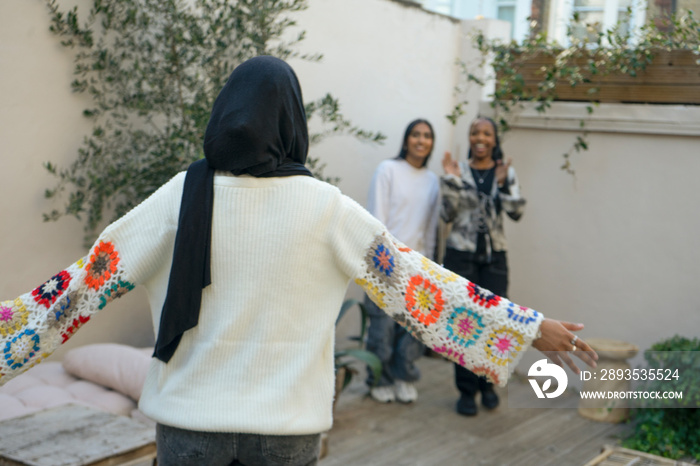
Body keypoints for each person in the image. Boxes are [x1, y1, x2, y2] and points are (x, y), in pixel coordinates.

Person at [0, 57, 596, 466]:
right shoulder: (327, 208)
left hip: (187, 432)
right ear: (293, 122)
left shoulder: (178, 196)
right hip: (285, 436)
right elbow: (421, 288)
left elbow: (79, 289)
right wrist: (525, 327)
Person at [441, 116, 526, 417]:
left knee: (494, 324)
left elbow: (517, 212)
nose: (480, 138)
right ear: (470, 137)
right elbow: (446, 213)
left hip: (494, 259)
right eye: (475, 132)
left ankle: (487, 386)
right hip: (460, 256)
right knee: (463, 325)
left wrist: (502, 183)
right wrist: (450, 180)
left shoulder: (505, 172)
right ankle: (466, 391)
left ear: (494, 139)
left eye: (486, 133)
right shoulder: (458, 170)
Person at [364, 119, 440, 404]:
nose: (421, 141)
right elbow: (377, 218)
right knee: (381, 329)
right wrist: (383, 260)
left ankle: (402, 376)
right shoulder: (388, 170)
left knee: (411, 331)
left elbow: (430, 227)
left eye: (427, 136)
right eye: (416, 135)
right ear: (406, 139)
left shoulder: (432, 180)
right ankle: (378, 379)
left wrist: (430, 265)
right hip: (384, 262)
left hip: (418, 268)